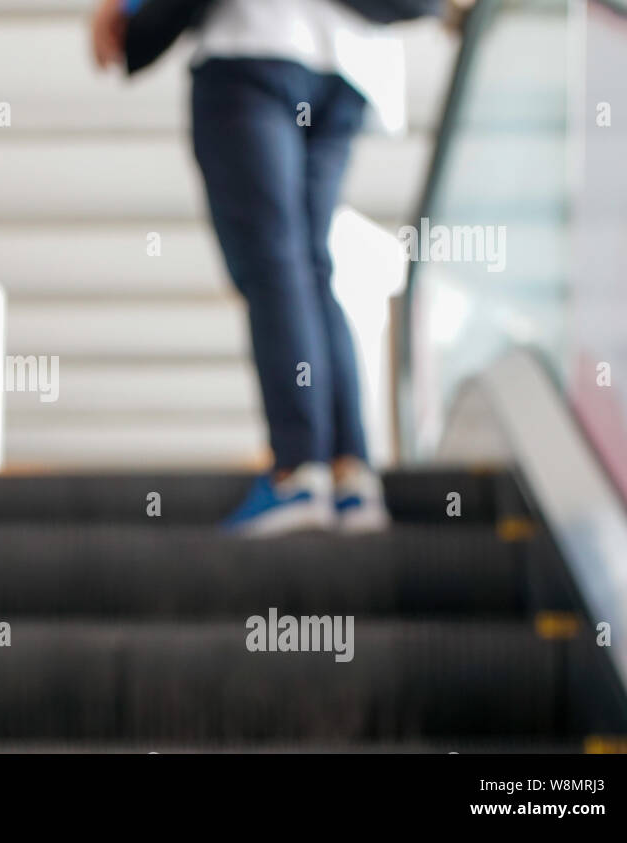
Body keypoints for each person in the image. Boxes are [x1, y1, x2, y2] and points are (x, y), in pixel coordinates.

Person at [91, 0, 403, 536]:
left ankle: (298, 473)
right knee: (308, 261)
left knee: (275, 260)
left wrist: (128, 8)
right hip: (348, 63)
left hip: (255, 46)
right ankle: (349, 476)